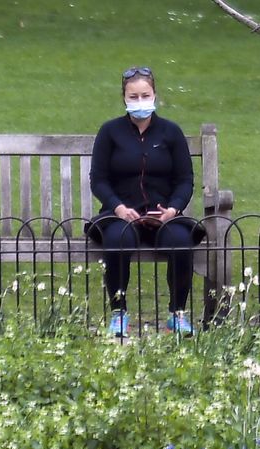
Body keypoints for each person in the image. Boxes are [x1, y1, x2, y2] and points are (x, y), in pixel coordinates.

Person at [87, 66, 200, 337]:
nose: (140, 102)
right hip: (121, 214)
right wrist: (118, 207)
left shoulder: (171, 133)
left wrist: (173, 208)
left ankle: (177, 314)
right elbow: (98, 179)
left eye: (145, 95)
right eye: (133, 96)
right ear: (124, 98)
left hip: (163, 215)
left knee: (182, 241)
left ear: (155, 95)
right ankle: (119, 313)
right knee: (118, 240)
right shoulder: (110, 132)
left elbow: (185, 179)